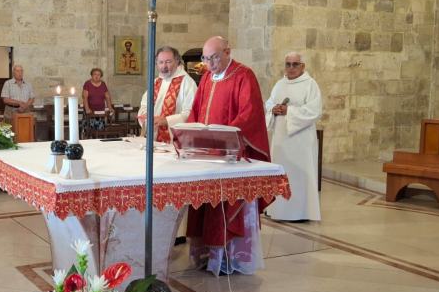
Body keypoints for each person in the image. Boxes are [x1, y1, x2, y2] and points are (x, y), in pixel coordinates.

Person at [186, 36, 270, 276]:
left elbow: (250, 113)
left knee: (228, 205)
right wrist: (191, 135)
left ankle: (231, 258)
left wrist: (225, 138)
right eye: (205, 58)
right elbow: (195, 111)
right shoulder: (206, 79)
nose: (209, 63)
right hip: (206, 155)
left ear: (227, 51)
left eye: (213, 57)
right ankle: (208, 256)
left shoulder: (244, 75)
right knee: (206, 204)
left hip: (231, 155)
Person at [265, 52, 322, 222]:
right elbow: (268, 104)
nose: (291, 68)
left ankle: (301, 212)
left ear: (302, 66)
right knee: (281, 174)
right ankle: (278, 210)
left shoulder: (310, 85)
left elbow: (315, 111)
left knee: (300, 175)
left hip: (301, 140)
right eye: (288, 64)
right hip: (281, 140)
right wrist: (272, 110)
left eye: (295, 64)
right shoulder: (279, 84)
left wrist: (290, 111)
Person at [137, 46, 197, 143]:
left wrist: (166, 120)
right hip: (154, 139)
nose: (164, 66)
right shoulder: (156, 82)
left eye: (168, 62)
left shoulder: (187, 82)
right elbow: (144, 105)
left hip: (175, 141)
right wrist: (145, 116)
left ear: (177, 61)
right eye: (161, 62)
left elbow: (191, 113)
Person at [83, 68, 114, 133]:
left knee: (100, 130)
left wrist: (110, 108)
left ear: (101, 76)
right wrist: (87, 109)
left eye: (98, 75)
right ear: (91, 75)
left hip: (100, 111)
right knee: (90, 130)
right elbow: (85, 97)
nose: (96, 76)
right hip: (90, 111)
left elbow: (107, 97)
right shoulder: (87, 84)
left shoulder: (103, 84)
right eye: (95, 74)